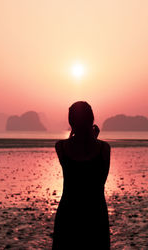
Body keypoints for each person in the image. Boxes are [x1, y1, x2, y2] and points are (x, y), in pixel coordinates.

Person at [52, 101, 111, 250]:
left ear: (71, 121)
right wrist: (94, 138)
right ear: (92, 119)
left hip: (69, 213)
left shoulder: (61, 147)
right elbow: (101, 181)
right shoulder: (104, 149)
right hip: (95, 213)